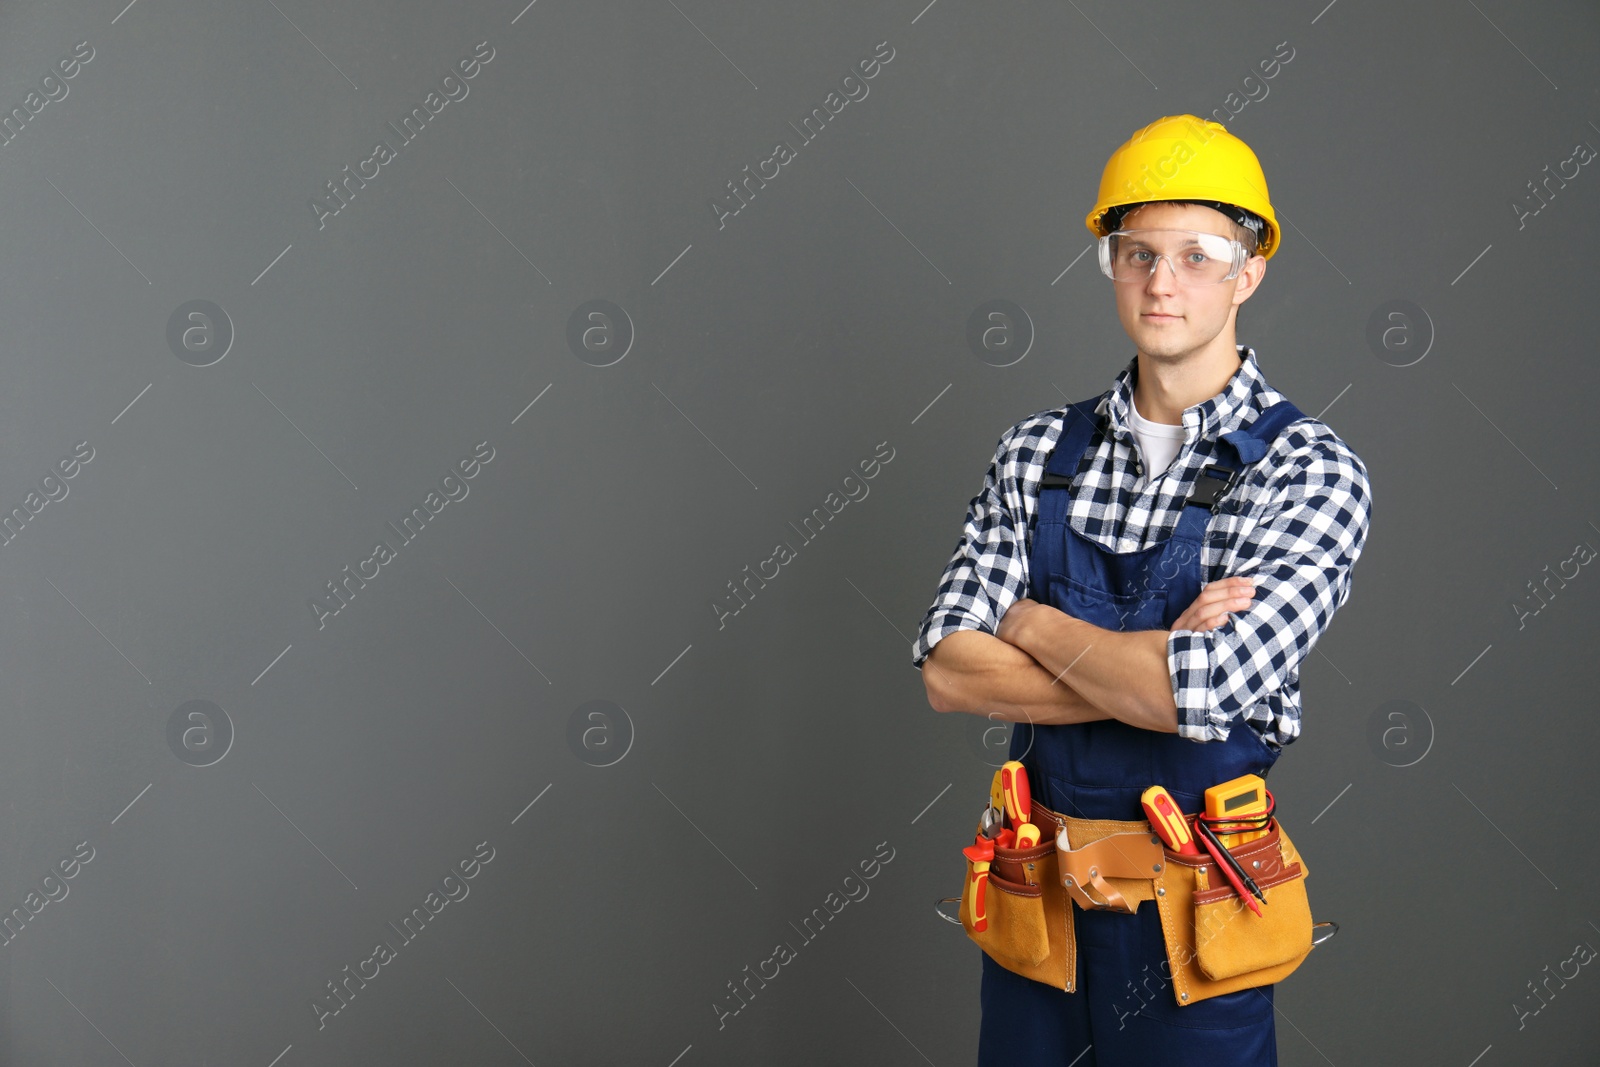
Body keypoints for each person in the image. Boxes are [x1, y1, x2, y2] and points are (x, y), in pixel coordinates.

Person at [911, 114, 1372, 1065]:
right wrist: (1159, 667)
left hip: (1198, 923)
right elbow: (951, 673)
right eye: (1136, 253)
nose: (1163, 282)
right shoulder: (1037, 451)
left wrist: (1030, 620)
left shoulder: (1310, 473)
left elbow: (1187, 694)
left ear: (1250, 272)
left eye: (1198, 256)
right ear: (1113, 264)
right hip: (1037, 912)